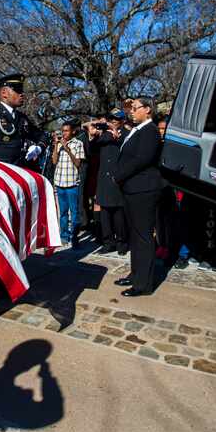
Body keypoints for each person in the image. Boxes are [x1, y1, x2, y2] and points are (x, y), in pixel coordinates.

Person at [112, 97, 164, 297]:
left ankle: (143, 284)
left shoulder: (150, 131)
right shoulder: (137, 130)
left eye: (135, 108)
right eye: (131, 109)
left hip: (144, 190)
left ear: (148, 110)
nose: (131, 112)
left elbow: (142, 159)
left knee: (143, 236)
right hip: (132, 189)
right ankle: (135, 274)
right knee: (135, 235)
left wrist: (119, 175)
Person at [96, 109, 128, 255]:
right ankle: (108, 242)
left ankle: (122, 242)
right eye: (112, 118)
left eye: (117, 119)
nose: (114, 121)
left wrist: (116, 134)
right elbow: (95, 144)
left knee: (119, 216)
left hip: (118, 180)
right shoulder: (104, 135)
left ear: (122, 120)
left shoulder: (127, 134)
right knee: (105, 215)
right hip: (104, 179)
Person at [51, 121, 86, 247]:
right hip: (60, 183)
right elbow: (54, 161)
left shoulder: (78, 144)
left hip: (72, 184)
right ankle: (64, 236)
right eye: (63, 130)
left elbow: (78, 163)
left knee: (75, 212)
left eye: (66, 131)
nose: (64, 133)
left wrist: (68, 149)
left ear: (73, 131)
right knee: (63, 212)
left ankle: (74, 236)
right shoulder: (58, 144)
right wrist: (56, 146)